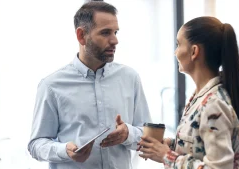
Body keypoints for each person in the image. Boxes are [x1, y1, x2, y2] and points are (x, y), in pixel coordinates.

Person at [28, 1, 151, 169]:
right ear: (81, 36)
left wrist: (128, 134)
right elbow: (36, 145)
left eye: (115, 32)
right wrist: (65, 151)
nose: (115, 40)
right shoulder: (51, 86)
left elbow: (149, 137)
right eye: (106, 33)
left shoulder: (130, 78)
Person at [138, 16, 239, 169]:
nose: (175, 52)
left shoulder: (213, 104)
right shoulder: (201, 97)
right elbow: (199, 145)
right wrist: (170, 145)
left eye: (178, 44)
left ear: (194, 51)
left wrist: (166, 156)